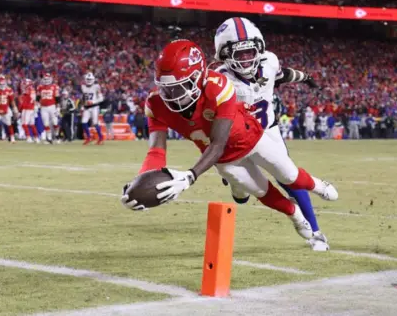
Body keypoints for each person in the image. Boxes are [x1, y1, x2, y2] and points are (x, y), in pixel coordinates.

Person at [121, 40, 338, 242]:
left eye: (180, 86)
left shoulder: (218, 86)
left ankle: (318, 185)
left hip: (251, 139)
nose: (171, 94)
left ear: (199, 77)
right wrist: (141, 182)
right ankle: (296, 215)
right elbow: (156, 151)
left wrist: (189, 176)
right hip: (224, 160)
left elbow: (218, 142)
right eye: (166, 87)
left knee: (291, 177)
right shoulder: (155, 103)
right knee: (263, 192)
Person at [212, 17, 331, 250]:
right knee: (240, 191)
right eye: (240, 54)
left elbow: (282, 75)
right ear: (224, 54)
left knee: (290, 178)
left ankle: (316, 233)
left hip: (267, 131)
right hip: (235, 138)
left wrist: (305, 77)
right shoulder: (219, 79)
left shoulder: (269, 62)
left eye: (250, 52)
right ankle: (237, 187)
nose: (247, 59)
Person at [81, 72, 104, 145]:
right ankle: (89, 137)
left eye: (90, 79)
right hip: (86, 107)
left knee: (95, 123)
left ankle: (101, 137)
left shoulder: (96, 86)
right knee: (83, 122)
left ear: (93, 79)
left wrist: (93, 101)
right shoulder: (83, 87)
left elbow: (101, 98)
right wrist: (82, 105)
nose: (88, 80)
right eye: (87, 79)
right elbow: (83, 97)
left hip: (94, 107)